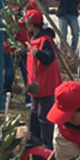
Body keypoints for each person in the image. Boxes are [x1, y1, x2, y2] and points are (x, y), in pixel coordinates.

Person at [24, 9, 62, 148]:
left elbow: (49, 58)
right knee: (34, 114)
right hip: (36, 84)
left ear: (32, 24)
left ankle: (47, 145)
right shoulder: (33, 37)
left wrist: (39, 53)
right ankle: (34, 142)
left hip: (46, 84)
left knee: (44, 116)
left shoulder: (45, 40)